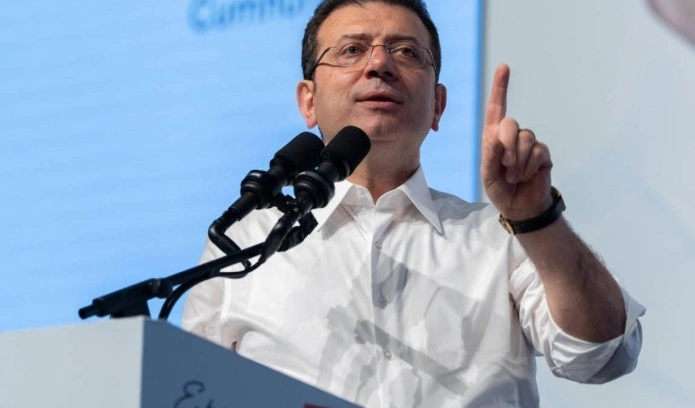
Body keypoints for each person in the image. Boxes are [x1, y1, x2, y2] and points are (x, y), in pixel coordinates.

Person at [182, 0, 645, 406]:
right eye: (352, 50)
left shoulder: (498, 237)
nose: (379, 64)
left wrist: (536, 217)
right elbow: (185, 388)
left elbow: (603, 353)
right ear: (309, 101)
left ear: (438, 105)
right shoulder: (245, 241)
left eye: (406, 52)